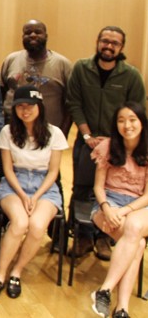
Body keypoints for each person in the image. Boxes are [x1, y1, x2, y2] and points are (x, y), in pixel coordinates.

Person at [66, 26, 146, 260]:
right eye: (105, 41)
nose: (109, 46)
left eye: (115, 43)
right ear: (98, 42)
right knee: (81, 188)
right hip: (87, 142)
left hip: (118, 145)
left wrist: (114, 140)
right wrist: (88, 136)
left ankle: (103, 238)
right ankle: (81, 237)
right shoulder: (81, 68)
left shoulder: (131, 75)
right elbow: (74, 103)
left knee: (109, 190)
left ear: (121, 47)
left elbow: (136, 110)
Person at [0, 85, 68, 301]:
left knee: (38, 226)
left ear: (39, 106)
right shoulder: (7, 132)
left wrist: (37, 195)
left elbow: (54, 172)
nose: (25, 110)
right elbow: (7, 169)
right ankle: (0, 275)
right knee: (20, 223)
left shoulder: (54, 133)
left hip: (45, 185)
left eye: (30, 106)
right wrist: (23, 195)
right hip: (15, 183)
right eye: (20, 106)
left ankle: (17, 271)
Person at [90, 102, 148, 318]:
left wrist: (123, 212)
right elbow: (98, 186)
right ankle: (122, 308)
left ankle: (105, 289)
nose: (127, 125)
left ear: (142, 122)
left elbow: (147, 196)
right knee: (138, 242)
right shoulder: (108, 146)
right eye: (121, 120)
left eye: (132, 119)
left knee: (133, 226)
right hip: (108, 201)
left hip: (140, 206)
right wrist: (107, 208)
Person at [0, 19, 72, 134]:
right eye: (28, 33)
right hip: (13, 130)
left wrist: (63, 134)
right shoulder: (11, 60)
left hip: (48, 133)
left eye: (38, 32)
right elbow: (1, 93)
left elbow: (70, 104)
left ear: (46, 36)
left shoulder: (62, 64)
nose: (32, 35)